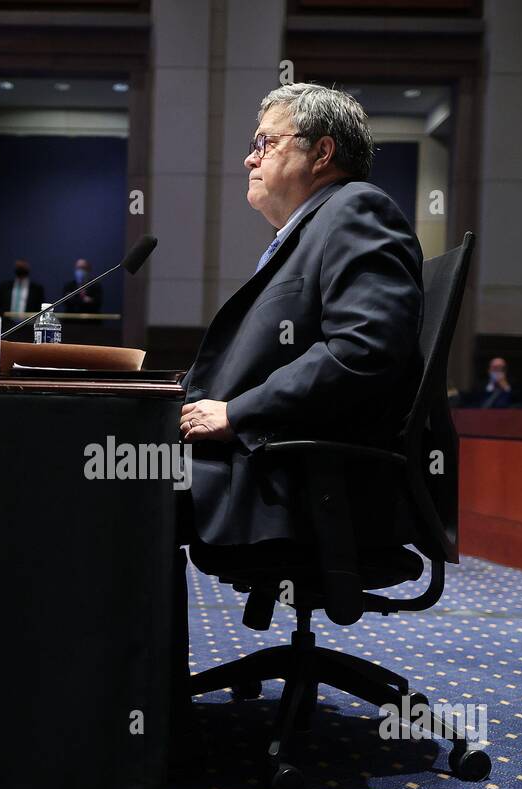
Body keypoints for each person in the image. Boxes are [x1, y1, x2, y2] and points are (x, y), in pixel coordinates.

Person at [176, 81, 422, 618]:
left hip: (300, 479)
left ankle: (135, 690)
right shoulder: (308, 230)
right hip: (270, 462)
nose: (249, 157)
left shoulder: (356, 210)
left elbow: (363, 350)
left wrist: (237, 414)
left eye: (265, 143)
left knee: (110, 488)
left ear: (322, 151)